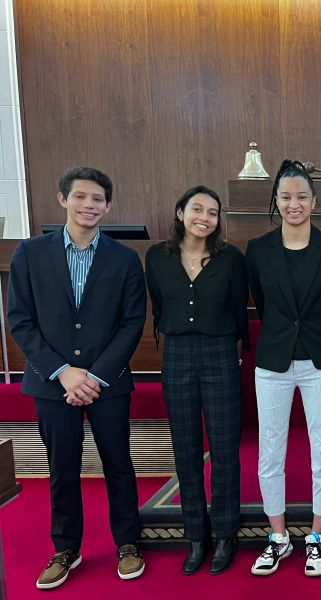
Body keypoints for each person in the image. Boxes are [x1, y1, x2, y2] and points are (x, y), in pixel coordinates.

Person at [7, 166, 146, 589]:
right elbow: (20, 320)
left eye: (98, 199)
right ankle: (66, 547)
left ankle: (128, 543)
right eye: (81, 197)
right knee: (61, 468)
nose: (90, 205)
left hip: (109, 383)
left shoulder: (124, 259)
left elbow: (132, 323)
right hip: (52, 384)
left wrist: (96, 375)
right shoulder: (29, 254)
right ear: (63, 199)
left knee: (119, 464)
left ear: (108, 206)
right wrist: (65, 372)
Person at [246, 160, 321, 578]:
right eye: (286, 196)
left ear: (314, 201)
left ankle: (317, 536)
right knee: (271, 450)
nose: (294, 204)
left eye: (302, 196)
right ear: (276, 200)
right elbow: (263, 304)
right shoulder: (258, 249)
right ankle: (278, 536)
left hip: (320, 360)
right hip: (272, 360)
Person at [145, 185, 249, 575]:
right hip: (177, 355)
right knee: (185, 447)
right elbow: (158, 303)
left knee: (224, 449)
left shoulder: (231, 258)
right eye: (197, 209)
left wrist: (234, 350)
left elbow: (238, 306)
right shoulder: (157, 257)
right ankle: (195, 534)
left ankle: (224, 533)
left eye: (213, 212)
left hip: (221, 352)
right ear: (180, 212)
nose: (204, 217)